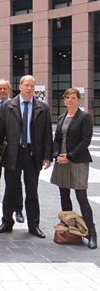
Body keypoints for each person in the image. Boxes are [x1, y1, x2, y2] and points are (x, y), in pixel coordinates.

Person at [0, 75, 53, 239]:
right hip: (13, 153)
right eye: (26, 85)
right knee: (10, 190)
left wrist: (47, 156)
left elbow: (47, 134)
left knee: (32, 192)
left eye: (32, 86)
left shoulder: (42, 108)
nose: (29, 88)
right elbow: (0, 132)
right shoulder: (8, 106)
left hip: (32, 155)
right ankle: (7, 221)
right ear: (19, 86)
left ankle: (34, 225)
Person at [51, 88, 96, 249]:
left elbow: (85, 140)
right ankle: (70, 229)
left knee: (81, 196)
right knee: (64, 194)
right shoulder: (62, 117)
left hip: (77, 161)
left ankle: (92, 233)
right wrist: (56, 155)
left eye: (73, 98)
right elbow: (56, 139)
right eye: (67, 98)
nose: (70, 100)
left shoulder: (84, 117)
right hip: (61, 161)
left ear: (78, 100)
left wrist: (69, 156)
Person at [0, 79, 23, 221]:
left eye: (5, 88)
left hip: (11, 149)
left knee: (15, 181)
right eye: (0, 88)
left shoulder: (16, 104)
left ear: (9, 89)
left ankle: (18, 209)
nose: (2, 91)